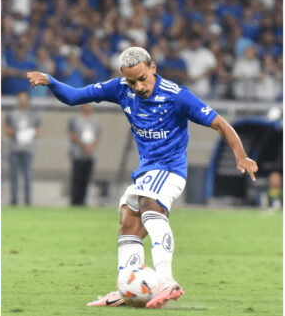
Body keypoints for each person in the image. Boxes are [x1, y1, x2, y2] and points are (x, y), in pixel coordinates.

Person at [27, 47, 258, 309]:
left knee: (148, 201)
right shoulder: (120, 89)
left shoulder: (177, 97)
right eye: (131, 81)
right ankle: (129, 289)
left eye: (142, 78)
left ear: (153, 68)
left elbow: (220, 124)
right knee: (128, 217)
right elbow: (74, 97)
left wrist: (241, 156)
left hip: (170, 169)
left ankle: (167, 281)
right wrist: (51, 81)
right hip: (147, 171)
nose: (137, 86)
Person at [4, 91, 42, 205]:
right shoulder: (12, 113)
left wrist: (30, 133)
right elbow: (6, 129)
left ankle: (28, 200)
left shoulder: (33, 114)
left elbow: (39, 130)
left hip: (28, 149)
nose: (22, 101)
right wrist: (18, 135)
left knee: (28, 175)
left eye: (24, 98)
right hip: (15, 148)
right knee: (14, 175)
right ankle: (14, 199)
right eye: (20, 98)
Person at [68, 104, 101, 206]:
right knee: (76, 178)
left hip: (90, 155)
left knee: (86, 179)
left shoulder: (95, 122)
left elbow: (97, 137)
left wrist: (90, 147)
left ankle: (82, 201)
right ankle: (75, 201)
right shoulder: (75, 120)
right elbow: (72, 135)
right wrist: (83, 145)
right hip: (78, 154)